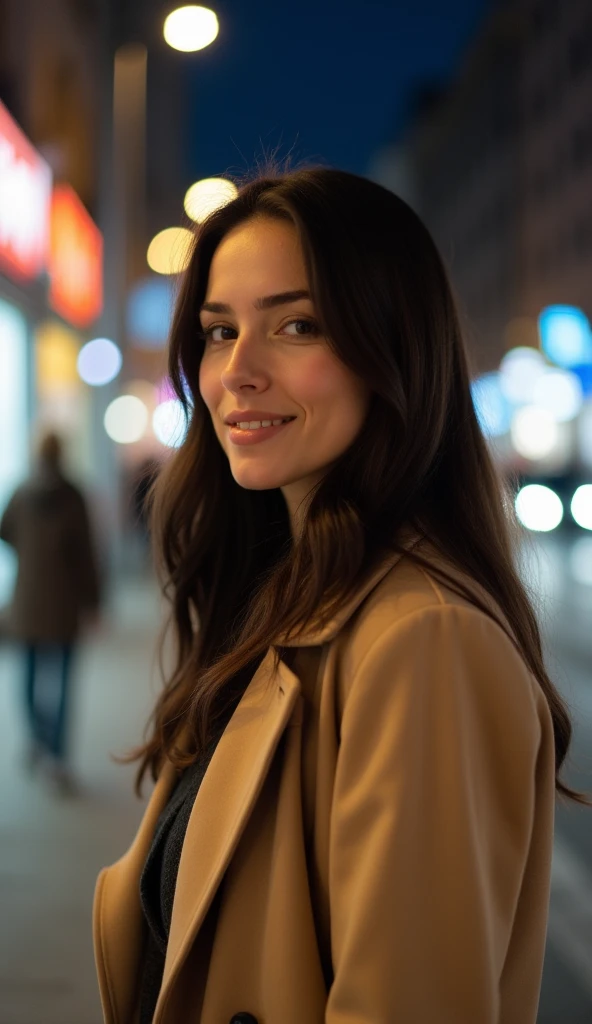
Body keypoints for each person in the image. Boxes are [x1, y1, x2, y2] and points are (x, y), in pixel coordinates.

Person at [93, 167, 585, 1024]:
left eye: (297, 324)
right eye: (217, 331)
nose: (236, 371)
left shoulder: (423, 640)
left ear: (392, 350)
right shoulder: (281, 601)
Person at [0, 430, 101, 793]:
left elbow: (4, 532)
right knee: (62, 681)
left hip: (27, 601)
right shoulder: (74, 496)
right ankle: (56, 755)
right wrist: (93, 603)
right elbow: (87, 554)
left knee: (26, 676)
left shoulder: (21, 493)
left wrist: (29, 555)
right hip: (64, 603)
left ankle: (37, 738)